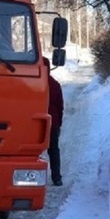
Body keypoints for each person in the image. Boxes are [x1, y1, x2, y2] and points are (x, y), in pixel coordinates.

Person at [44, 56, 64, 186]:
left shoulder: (29, 82)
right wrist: (59, 124)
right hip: (52, 122)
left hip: (32, 121)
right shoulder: (54, 84)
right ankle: (56, 177)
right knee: (53, 150)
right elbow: (60, 106)